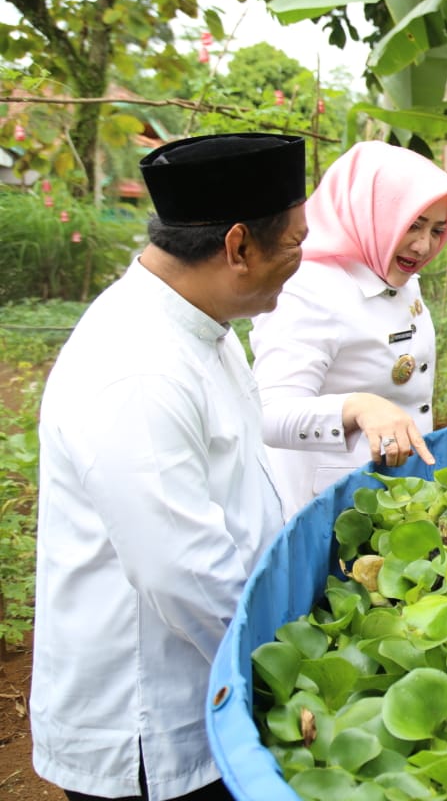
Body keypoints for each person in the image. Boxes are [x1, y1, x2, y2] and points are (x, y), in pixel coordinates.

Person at [32, 133, 308, 801]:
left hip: (206, 677)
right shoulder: (136, 366)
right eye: (296, 243)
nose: (304, 259)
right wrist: (284, 675)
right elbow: (182, 571)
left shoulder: (202, 325)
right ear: (238, 247)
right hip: (146, 723)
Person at [249, 141, 447, 517]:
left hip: (397, 491)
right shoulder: (308, 290)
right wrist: (355, 406)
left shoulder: (395, 271)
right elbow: (268, 414)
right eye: (412, 224)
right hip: (331, 503)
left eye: (437, 230)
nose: (424, 245)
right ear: (373, 215)